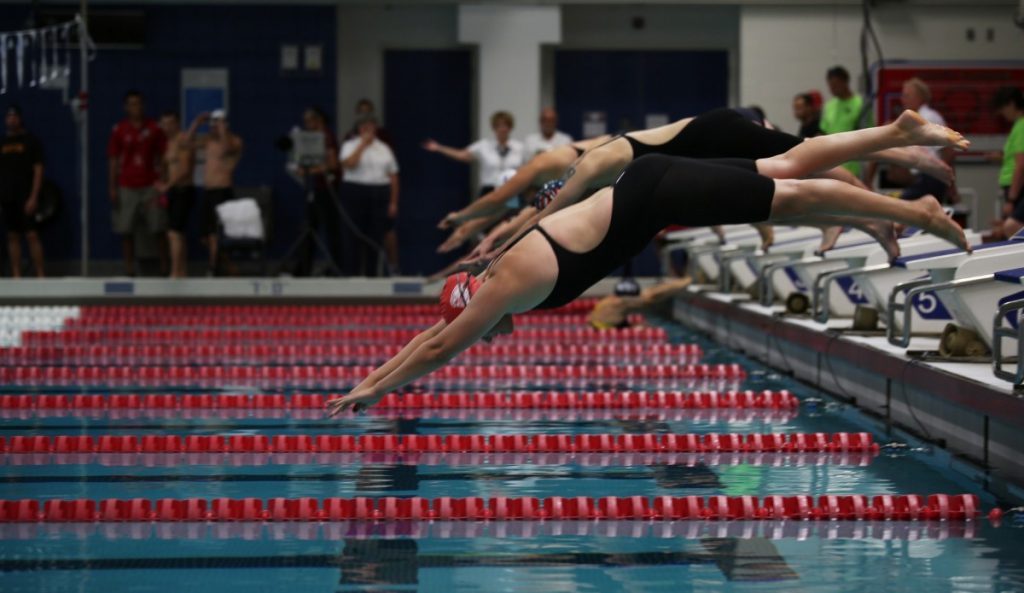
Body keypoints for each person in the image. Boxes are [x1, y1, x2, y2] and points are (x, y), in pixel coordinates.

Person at [326, 111, 970, 415]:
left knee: (791, 192)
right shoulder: (498, 277)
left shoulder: (504, 290)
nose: (482, 335)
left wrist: (376, 391)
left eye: (470, 323)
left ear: (473, 306)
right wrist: (368, 381)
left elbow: (439, 349)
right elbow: (429, 337)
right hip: (652, 188)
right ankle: (900, 148)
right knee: (789, 172)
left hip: (657, 190)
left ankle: (914, 203)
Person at [467, 107, 954, 262]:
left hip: (713, 133)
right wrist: (495, 243)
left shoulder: (587, 166)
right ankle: (871, 219)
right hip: (693, 163)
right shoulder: (586, 173)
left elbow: (542, 219)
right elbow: (537, 215)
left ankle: (905, 151)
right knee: (783, 189)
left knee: (805, 159)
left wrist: (495, 253)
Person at [434, 134, 612, 253]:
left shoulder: (537, 167)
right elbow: (509, 212)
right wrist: (470, 232)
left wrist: (459, 216)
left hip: (617, 152)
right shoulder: (547, 187)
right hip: (604, 170)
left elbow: (497, 199)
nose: (521, 203)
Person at [108, 90, 167, 276]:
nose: (136, 107)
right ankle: (129, 268)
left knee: (158, 227)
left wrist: (163, 182)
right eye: (132, 104)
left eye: (139, 103)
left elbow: (164, 156)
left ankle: (165, 266)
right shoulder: (119, 129)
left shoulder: (154, 128)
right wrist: (112, 187)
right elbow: (113, 160)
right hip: (127, 185)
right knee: (126, 229)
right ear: (126, 107)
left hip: (150, 185)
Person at [340, 114, 400, 275]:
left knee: (375, 236)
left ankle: (372, 275)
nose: (367, 130)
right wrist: (362, 145)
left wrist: (393, 202)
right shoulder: (349, 145)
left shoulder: (384, 148)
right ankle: (351, 274)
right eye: (363, 127)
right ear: (359, 129)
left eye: (370, 126)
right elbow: (349, 164)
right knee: (353, 235)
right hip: (355, 191)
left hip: (379, 193)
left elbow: (393, 175)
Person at [188, 109, 243, 275]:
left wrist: (222, 129)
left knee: (216, 233)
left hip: (222, 190)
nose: (214, 127)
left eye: (218, 122)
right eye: (213, 123)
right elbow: (186, 143)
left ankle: (213, 268)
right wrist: (196, 123)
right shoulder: (208, 141)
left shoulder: (235, 141)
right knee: (206, 236)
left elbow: (227, 149)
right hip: (208, 191)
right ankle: (229, 266)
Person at [423, 111, 525, 197]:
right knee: (488, 218)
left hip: (512, 190)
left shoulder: (519, 147)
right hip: (490, 190)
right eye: (499, 125)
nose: (502, 129)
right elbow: (462, 155)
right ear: (494, 127)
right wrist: (439, 148)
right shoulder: (484, 146)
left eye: (506, 125)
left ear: (510, 127)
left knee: (513, 217)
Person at [292, 106, 342, 276]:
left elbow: (333, 164)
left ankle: (335, 268)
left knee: (331, 230)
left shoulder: (326, 136)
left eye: (308, 121)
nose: (306, 125)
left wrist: (309, 171)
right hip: (314, 189)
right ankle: (303, 268)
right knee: (308, 227)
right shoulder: (309, 138)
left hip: (328, 190)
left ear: (318, 120)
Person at [0, 106, 45, 277]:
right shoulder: (2, 142)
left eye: (15, 116)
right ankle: (16, 275)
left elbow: (38, 170)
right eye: (9, 116)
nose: (11, 120)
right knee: (12, 236)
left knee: (32, 235)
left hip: (26, 196)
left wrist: (34, 196)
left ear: (20, 119)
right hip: (7, 197)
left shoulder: (31, 141)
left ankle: (41, 275)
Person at [895, 78, 954, 202]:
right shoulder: (914, 119)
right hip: (921, 178)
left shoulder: (930, 117)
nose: (902, 99)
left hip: (930, 178)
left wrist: (946, 179)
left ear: (919, 97)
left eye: (907, 95)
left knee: (902, 206)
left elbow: (947, 150)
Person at [156, 111, 196, 278]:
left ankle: (175, 272)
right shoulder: (168, 143)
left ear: (178, 123)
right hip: (173, 191)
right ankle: (182, 271)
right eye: (164, 123)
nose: (167, 127)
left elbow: (185, 170)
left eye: (171, 123)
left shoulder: (183, 141)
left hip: (183, 189)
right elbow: (167, 168)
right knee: (177, 233)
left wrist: (167, 186)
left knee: (174, 233)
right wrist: (162, 181)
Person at [588, 276, 693, 330]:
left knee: (643, 326)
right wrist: (684, 282)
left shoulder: (610, 300)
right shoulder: (620, 302)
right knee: (645, 327)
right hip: (608, 329)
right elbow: (650, 296)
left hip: (600, 325)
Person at [820, 66, 865, 177]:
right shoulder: (829, 106)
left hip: (854, 165)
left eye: (835, 85)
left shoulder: (860, 104)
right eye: (830, 85)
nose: (832, 88)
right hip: (832, 166)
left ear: (845, 82)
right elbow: (823, 133)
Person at [993, 86, 1024, 238]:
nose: (1002, 114)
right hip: (1014, 188)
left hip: (1017, 189)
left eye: (1003, 109)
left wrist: (1011, 199)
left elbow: (1021, 165)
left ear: (1011, 104)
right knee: (1008, 229)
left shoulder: (1022, 126)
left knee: (1012, 227)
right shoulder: (1018, 126)